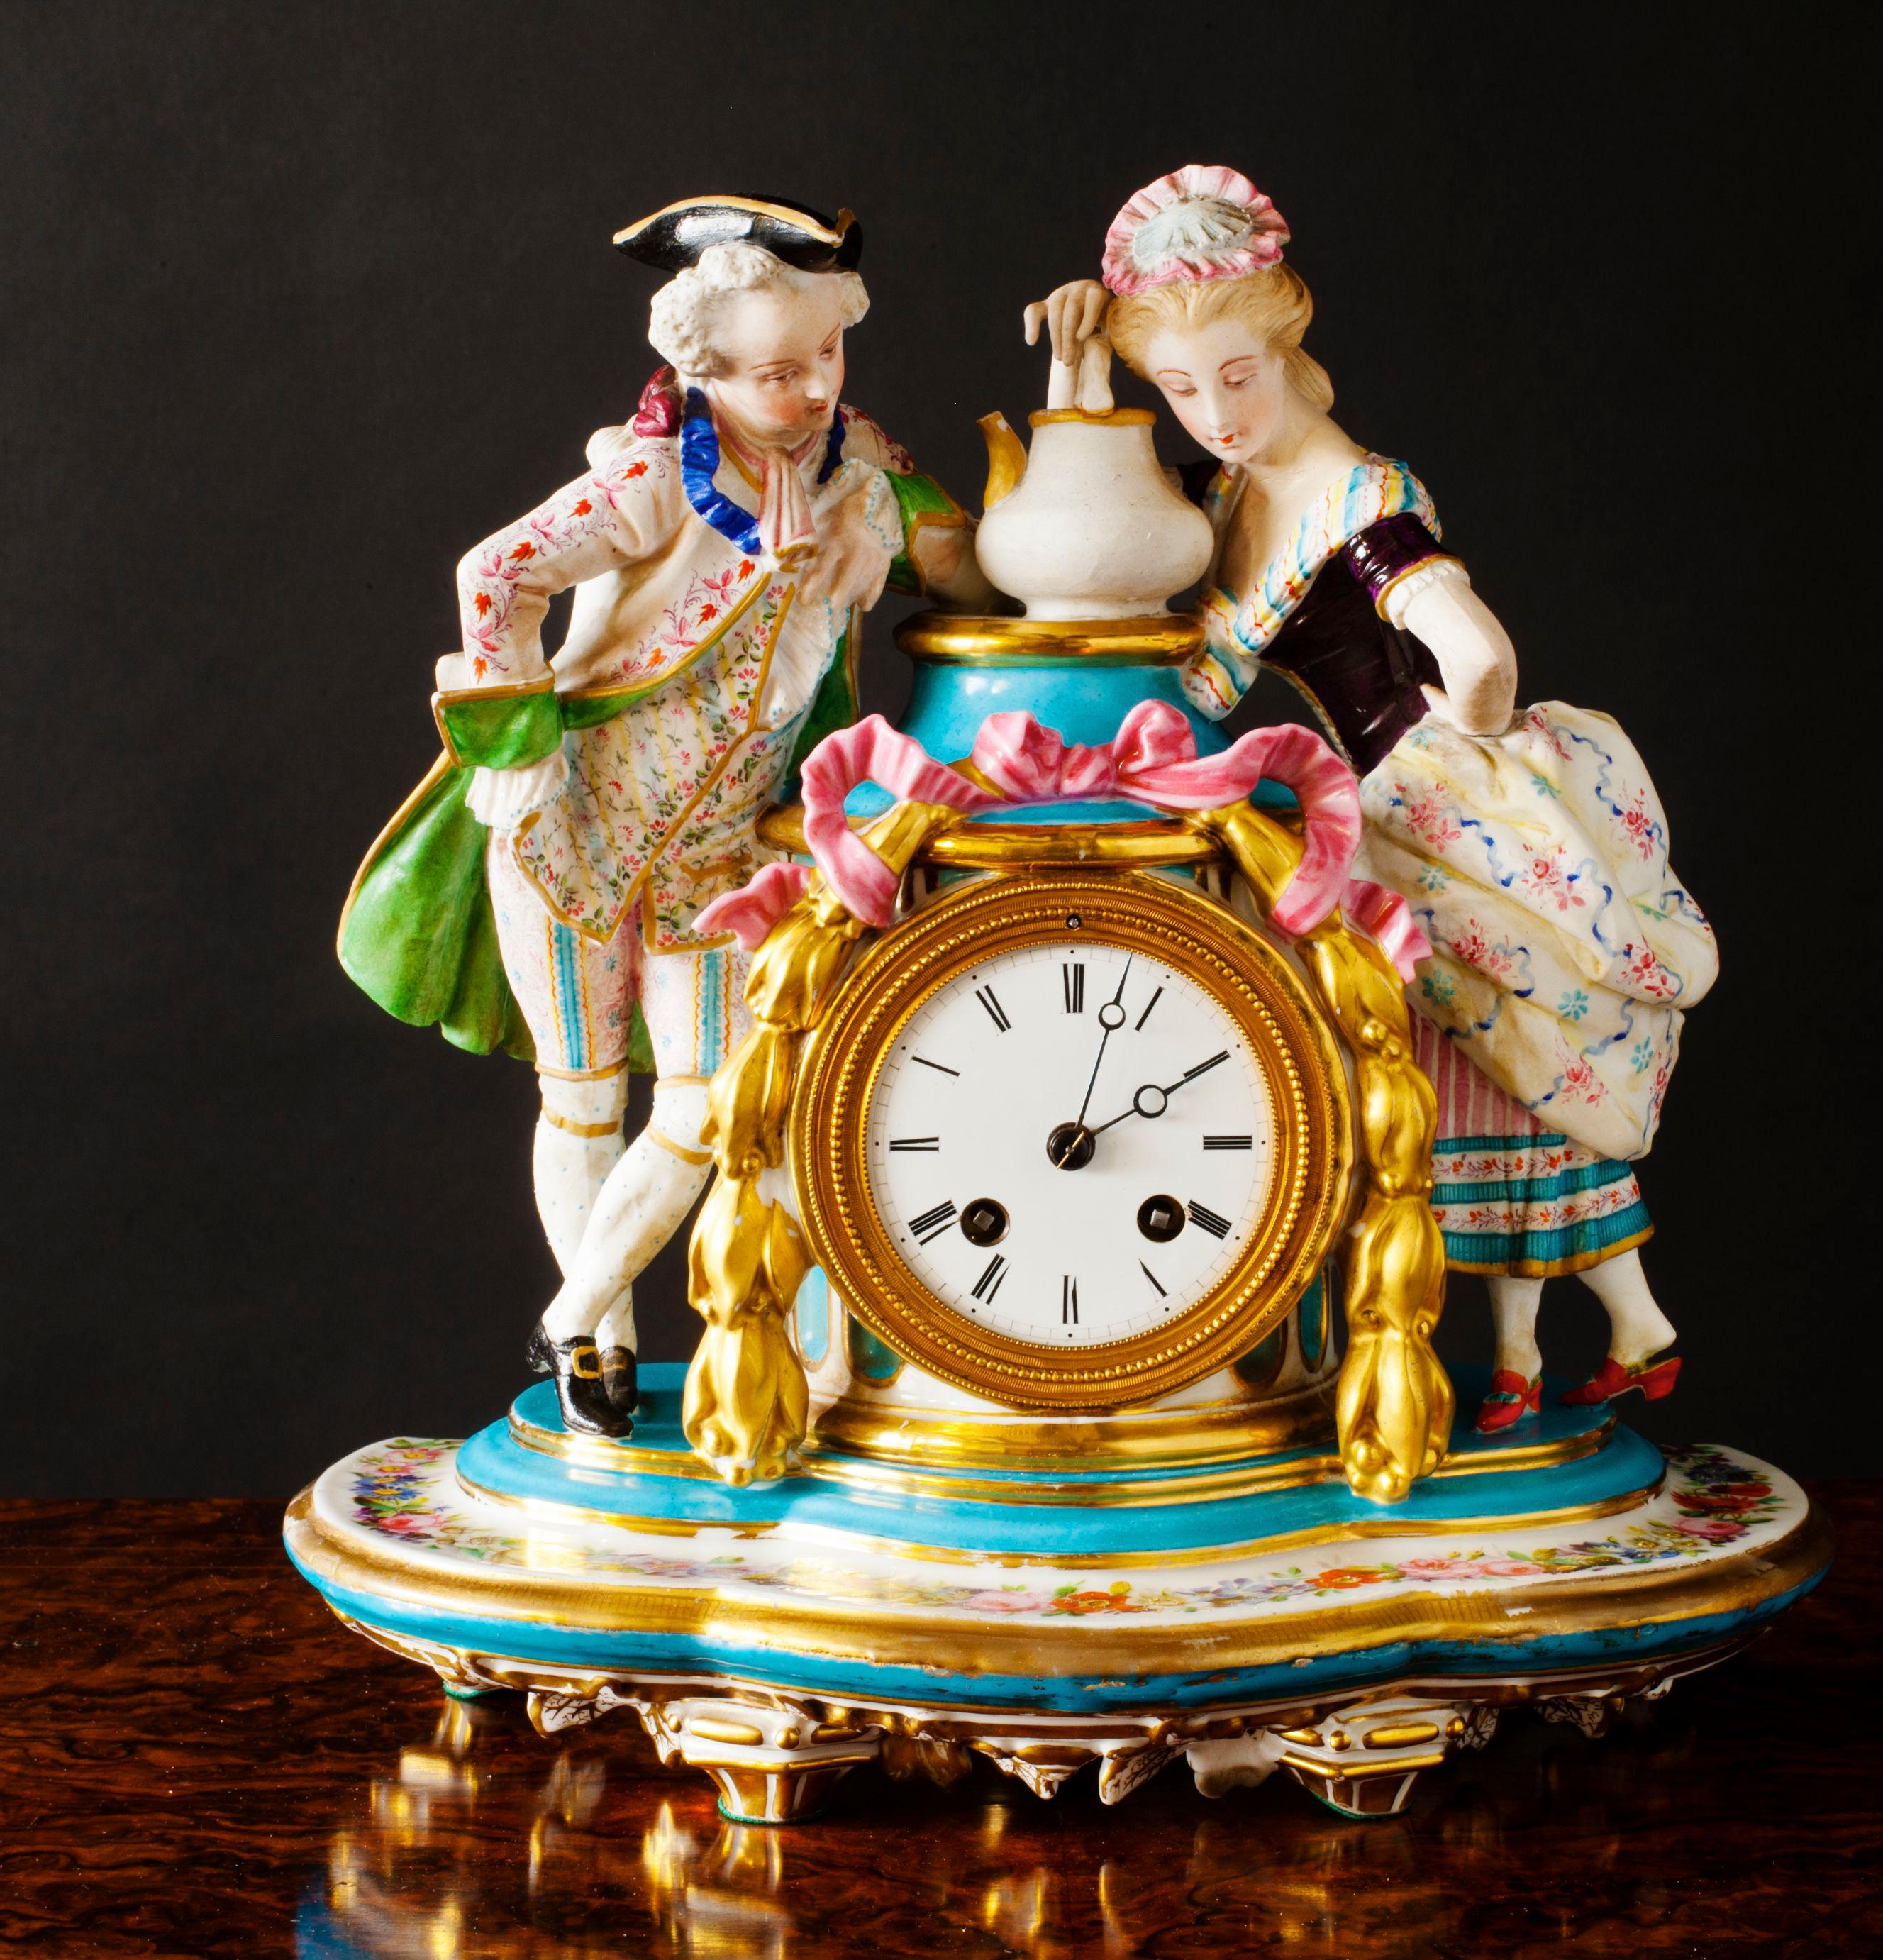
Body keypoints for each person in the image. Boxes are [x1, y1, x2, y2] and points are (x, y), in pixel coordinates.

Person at [1028, 167, 1717, 1432]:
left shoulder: (1358, 505)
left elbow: (1477, 652)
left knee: (1503, 1064)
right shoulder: (1242, 489)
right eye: (1181, 389)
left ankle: (1595, 1329)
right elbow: (1102, 539)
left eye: (1237, 376)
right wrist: (1078, 377)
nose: (1213, 412)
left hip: (1431, 803)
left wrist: (1474, 734)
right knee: (1476, 1067)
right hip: (1378, 804)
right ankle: (1552, 1343)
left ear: (1289, 345)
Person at [341, 195, 989, 1435]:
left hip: (722, 856)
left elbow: (970, 564)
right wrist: (517, 727)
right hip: (572, 833)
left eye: (826, 359)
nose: (809, 392)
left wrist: (896, 517)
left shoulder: (860, 469)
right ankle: (609, 1354)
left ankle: (580, 1303)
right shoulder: (654, 480)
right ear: (705, 370)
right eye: (773, 373)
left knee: (703, 1104)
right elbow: (496, 574)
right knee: (580, 1097)